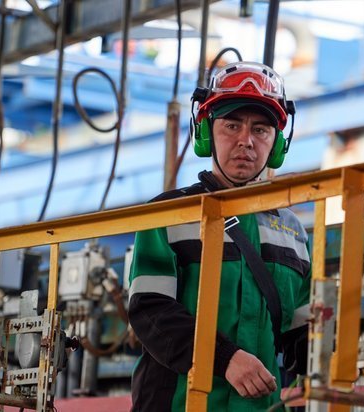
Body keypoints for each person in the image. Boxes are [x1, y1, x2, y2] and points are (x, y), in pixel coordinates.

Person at [128, 61, 310, 411]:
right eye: (231, 125)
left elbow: (300, 334)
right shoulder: (169, 214)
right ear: (206, 133)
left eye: (261, 130)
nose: (246, 140)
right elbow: (151, 311)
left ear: (276, 145)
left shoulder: (293, 233)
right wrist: (224, 358)